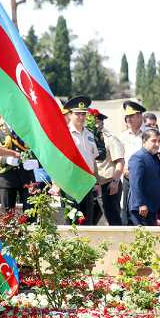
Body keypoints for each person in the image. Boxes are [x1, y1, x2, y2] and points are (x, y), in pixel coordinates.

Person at [120, 100, 160, 224]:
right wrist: (124, 169)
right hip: (128, 178)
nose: (128, 119)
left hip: (147, 179)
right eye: (127, 117)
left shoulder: (150, 133)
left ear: (139, 116)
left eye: (131, 116)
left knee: (150, 212)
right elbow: (119, 158)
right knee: (129, 212)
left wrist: (151, 169)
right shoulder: (123, 136)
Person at [64, 96, 99, 225]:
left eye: (83, 114)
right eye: (78, 114)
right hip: (71, 182)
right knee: (72, 218)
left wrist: (96, 181)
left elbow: (93, 160)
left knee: (87, 217)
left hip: (87, 181)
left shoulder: (89, 134)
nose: (81, 117)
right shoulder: (65, 134)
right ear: (70, 115)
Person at [0, 118, 35, 212]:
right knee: (7, 214)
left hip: (27, 176)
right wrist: (5, 160)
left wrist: (35, 162)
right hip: (7, 177)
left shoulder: (27, 130)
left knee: (31, 211)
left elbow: (37, 150)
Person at [128, 129, 160, 226]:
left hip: (153, 207)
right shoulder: (138, 158)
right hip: (142, 209)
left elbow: (157, 181)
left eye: (158, 141)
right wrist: (141, 203)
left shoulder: (154, 157)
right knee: (142, 239)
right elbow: (135, 183)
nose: (157, 144)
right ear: (144, 141)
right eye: (153, 141)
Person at [95, 110, 125, 225]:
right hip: (93, 186)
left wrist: (115, 182)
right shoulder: (88, 138)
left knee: (113, 220)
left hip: (109, 185)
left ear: (101, 122)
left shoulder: (110, 139)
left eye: (97, 122)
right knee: (92, 222)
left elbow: (120, 162)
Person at [143, 112, 160, 186]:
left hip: (156, 172)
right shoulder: (140, 135)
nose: (151, 127)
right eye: (148, 125)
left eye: (153, 125)